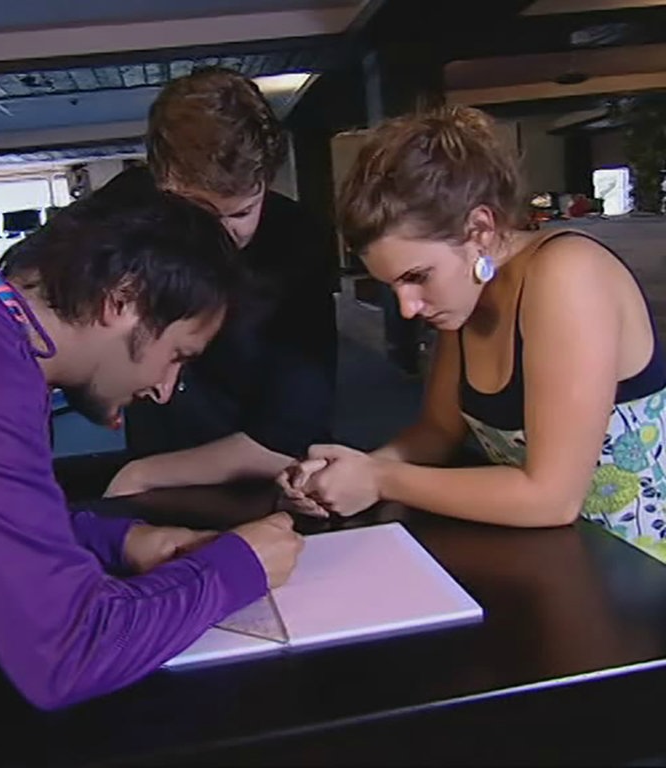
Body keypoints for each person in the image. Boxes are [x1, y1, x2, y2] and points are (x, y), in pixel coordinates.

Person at [0, 194, 303, 732]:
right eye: (177, 355)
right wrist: (238, 567)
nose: (164, 389)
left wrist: (119, 540)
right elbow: (68, 651)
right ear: (123, 300)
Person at [278, 105, 666, 563]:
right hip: (564, 558)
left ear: (480, 229)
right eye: (393, 286)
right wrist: (342, 473)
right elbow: (438, 432)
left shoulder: (567, 275)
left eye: (418, 276)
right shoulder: (467, 298)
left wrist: (380, 479)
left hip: (644, 568)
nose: (408, 307)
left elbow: (551, 498)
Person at [91, 67, 337, 497]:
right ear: (161, 180)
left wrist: (143, 475)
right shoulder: (120, 211)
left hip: (267, 485)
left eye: (241, 213)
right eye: (199, 212)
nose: (219, 236)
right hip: (156, 460)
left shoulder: (298, 241)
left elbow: (290, 433)